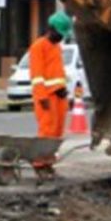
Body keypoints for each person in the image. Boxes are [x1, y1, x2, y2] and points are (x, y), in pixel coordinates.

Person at [27, 12, 73, 170]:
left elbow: (57, 73)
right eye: (60, 34)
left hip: (58, 96)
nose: (61, 37)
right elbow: (37, 76)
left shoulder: (57, 48)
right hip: (46, 96)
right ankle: (40, 162)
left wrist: (63, 90)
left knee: (57, 130)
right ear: (51, 29)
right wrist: (42, 97)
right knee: (47, 128)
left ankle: (49, 159)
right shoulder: (38, 46)